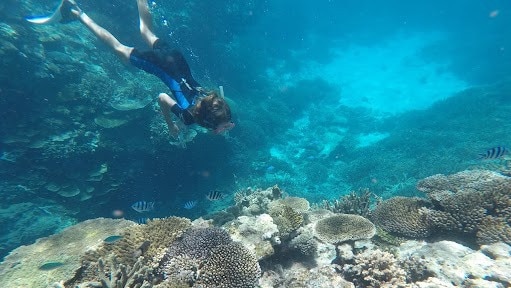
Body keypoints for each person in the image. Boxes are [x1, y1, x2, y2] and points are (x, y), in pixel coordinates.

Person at [31, 0, 234, 138]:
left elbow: (215, 111)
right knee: (119, 49)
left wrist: (221, 120)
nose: (228, 128)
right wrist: (171, 124)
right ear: (208, 123)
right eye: (225, 126)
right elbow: (162, 97)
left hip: (176, 58)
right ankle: (77, 13)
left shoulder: (213, 101)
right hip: (161, 64)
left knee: (145, 31)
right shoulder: (189, 118)